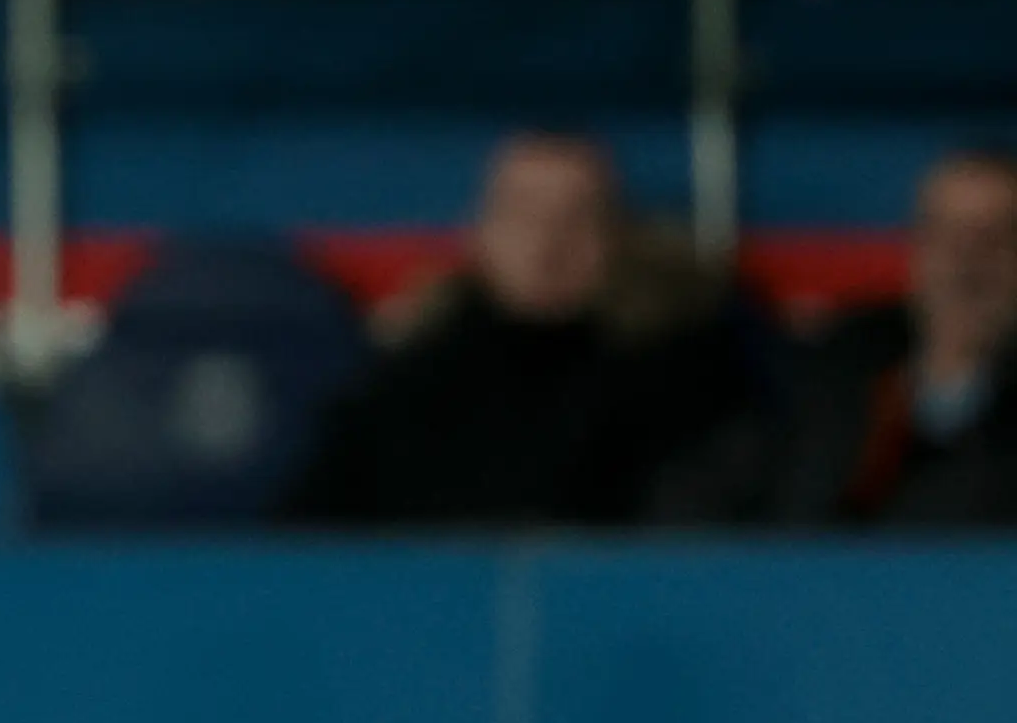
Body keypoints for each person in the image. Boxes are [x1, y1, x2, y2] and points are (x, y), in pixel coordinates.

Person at [287, 130, 758, 525]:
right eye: (523, 213)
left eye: (576, 217)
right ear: (481, 232)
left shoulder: (688, 380)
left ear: (617, 235)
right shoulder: (410, 380)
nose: (547, 242)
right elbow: (307, 539)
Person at [663, 147, 1017, 525]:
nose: (965, 261)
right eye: (944, 234)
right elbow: (698, 492)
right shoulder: (838, 364)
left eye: (994, 237)